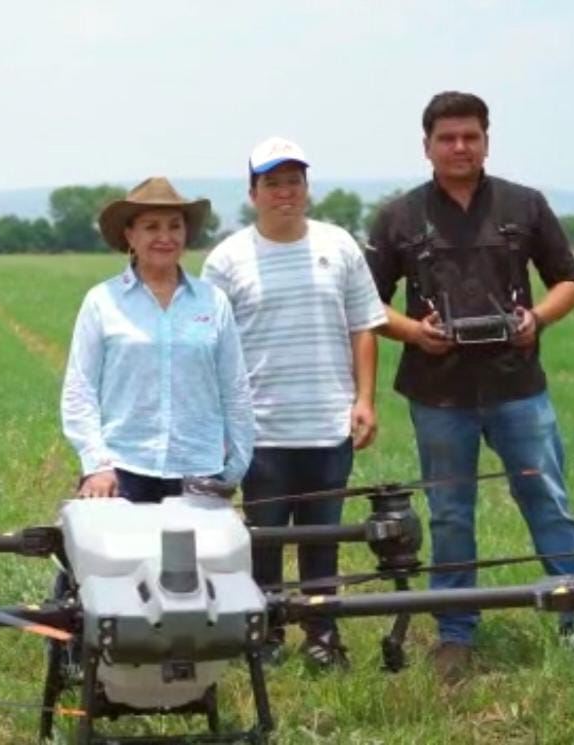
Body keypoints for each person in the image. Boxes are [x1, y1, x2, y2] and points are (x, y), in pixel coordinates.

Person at [364, 91, 574, 682]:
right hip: (438, 393)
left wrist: (535, 319)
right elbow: (364, 304)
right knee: (449, 515)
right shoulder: (398, 217)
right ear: (427, 146)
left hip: (519, 387)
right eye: (447, 138)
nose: (459, 147)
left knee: (548, 503)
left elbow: (570, 278)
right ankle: (455, 635)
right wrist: (417, 332)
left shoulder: (525, 205)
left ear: (487, 140)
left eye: (470, 136)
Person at [202, 137, 386, 670]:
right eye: (272, 183)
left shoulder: (339, 246)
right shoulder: (227, 260)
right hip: (260, 432)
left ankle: (324, 638)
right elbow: (211, 350)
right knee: (262, 541)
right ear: (253, 192)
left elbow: (363, 327)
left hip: (330, 426)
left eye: (294, 181)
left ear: (307, 188)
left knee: (323, 538)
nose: (285, 192)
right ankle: (266, 636)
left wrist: (365, 400)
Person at [61, 176, 254, 504]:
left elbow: (234, 389)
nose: (165, 237)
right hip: (122, 469)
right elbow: (80, 390)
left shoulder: (213, 302)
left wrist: (235, 465)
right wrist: (97, 465)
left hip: (199, 471)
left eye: (174, 227)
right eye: (151, 227)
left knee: (199, 557)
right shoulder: (102, 302)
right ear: (130, 235)